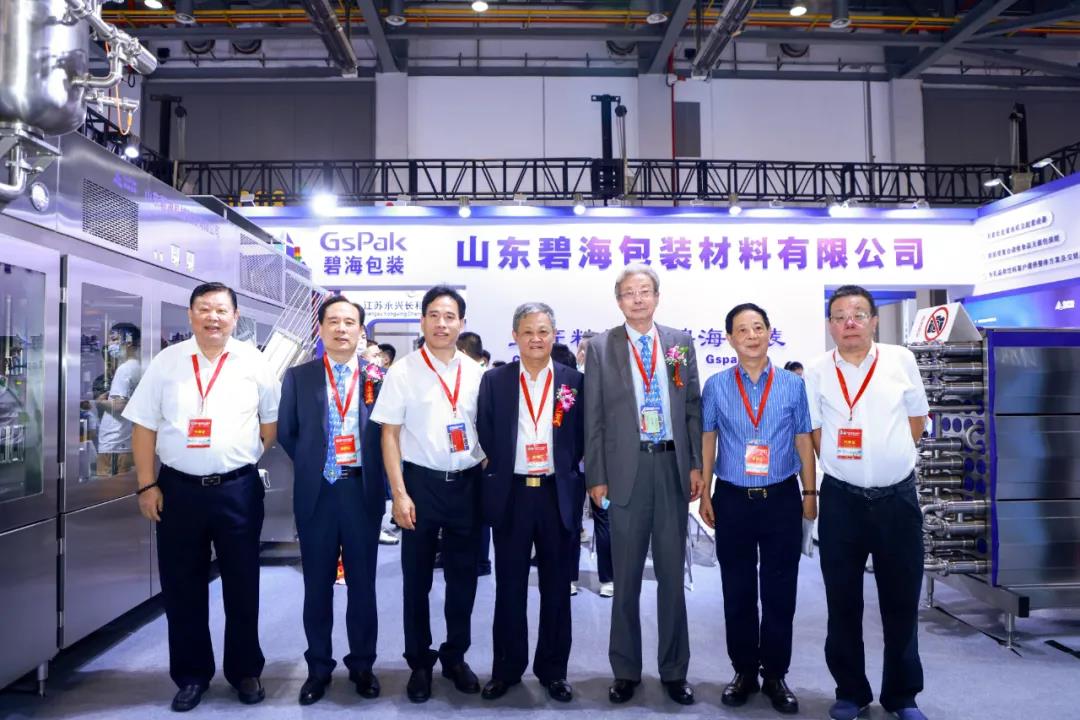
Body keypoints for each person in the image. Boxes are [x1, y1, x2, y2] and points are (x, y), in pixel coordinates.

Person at [124, 282, 280, 712]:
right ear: (191, 315)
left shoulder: (254, 362)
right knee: (182, 586)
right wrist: (147, 484)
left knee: (243, 583)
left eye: (221, 310)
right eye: (205, 309)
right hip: (178, 491)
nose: (213, 318)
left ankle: (244, 670)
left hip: (238, 491)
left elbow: (269, 426)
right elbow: (143, 426)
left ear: (235, 317)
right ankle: (192, 675)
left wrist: (234, 460)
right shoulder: (167, 362)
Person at [804, 285, 930, 720]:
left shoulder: (900, 360)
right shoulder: (817, 370)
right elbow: (815, 431)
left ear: (874, 320)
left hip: (898, 500)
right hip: (842, 501)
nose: (849, 323)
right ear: (830, 325)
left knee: (901, 602)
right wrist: (845, 466)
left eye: (858, 314)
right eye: (840, 316)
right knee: (842, 603)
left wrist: (888, 459)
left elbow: (916, 420)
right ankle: (851, 692)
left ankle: (902, 696)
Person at [584, 263, 703, 706]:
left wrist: (696, 465)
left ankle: (674, 670)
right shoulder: (601, 347)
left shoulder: (679, 344)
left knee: (672, 576)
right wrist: (596, 475)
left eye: (645, 291)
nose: (638, 299)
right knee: (626, 578)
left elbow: (691, 407)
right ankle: (625, 670)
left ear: (657, 297)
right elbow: (594, 417)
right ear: (619, 301)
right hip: (625, 472)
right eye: (629, 293)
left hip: (671, 468)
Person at [698, 303, 816, 715]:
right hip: (732, 499)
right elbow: (709, 438)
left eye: (758, 327)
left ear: (769, 333)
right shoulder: (716, 386)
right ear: (730, 338)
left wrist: (810, 492)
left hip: (781, 497)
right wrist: (706, 493)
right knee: (738, 590)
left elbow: (803, 439)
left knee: (781, 591)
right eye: (743, 330)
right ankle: (744, 671)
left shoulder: (791, 385)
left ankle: (776, 674)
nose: (752, 335)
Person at [371, 286, 486, 703]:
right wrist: (399, 494)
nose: (441, 323)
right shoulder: (403, 371)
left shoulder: (476, 373)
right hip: (420, 486)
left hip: (467, 485)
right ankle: (419, 662)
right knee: (416, 580)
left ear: (461, 323)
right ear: (422, 321)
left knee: (463, 579)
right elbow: (389, 436)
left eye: (450, 316)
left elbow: (489, 429)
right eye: (434, 315)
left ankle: (455, 657)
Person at [278, 296, 386, 706]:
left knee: (363, 586)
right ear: (320, 328)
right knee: (316, 586)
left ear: (361, 331)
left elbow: (389, 433)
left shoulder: (378, 377)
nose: (341, 329)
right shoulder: (299, 377)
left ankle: (362, 665)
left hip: (361, 492)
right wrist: (314, 465)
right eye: (333, 321)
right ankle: (318, 668)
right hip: (318, 494)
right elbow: (288, 433)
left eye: (350, 322)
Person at [476, 303, 585, 703]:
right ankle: (506, 669)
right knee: (510, 588)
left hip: (557, 494)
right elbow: (485, 430)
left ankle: (554, 671)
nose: (536, 338)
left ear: (554, 334)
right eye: (527, 331)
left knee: (557, 589)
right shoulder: (496, 380)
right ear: (515, 336)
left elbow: (582, 436)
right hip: (513, 494)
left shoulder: (574, 381)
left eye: (543, 331)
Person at [573, 332, 613, 599]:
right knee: (570, 521)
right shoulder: (569, 382)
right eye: (583, 349)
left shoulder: (612, 383)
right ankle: (569, 576)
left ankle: (608, 578)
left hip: (603, 465)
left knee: (604, 519)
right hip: (572, 465)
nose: (585, 354)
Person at [456, 330, 492, 576]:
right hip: (466, 455)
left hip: (478, 458)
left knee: (479, 514)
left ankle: (480, 561)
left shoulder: (483, 378)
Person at [95, 322, 141, 477]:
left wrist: (100, 402)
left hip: (114, 443)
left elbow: (120, 406)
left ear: (128, 341)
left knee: (107, 487)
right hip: (124, 442)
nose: (110, 345)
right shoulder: (137, 366)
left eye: (114, 339)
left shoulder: (125, 369)